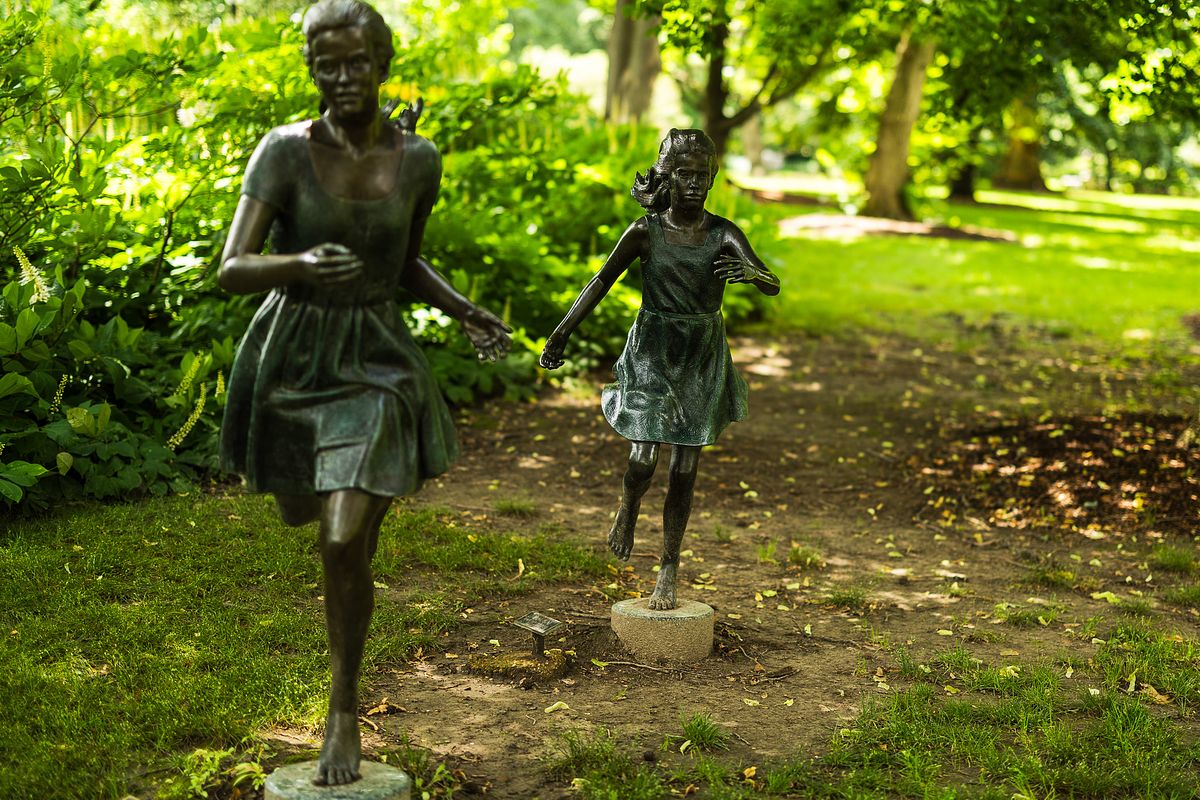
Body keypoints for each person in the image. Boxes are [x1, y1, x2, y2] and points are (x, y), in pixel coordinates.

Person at [217, 0, 510, 786]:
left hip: (378, 364)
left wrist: (464, 310)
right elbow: (232, 268)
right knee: (305, 513)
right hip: (293, 358)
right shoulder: (283, 151)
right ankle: (340, 539)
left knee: (343, 538)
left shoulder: (419, 160)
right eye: (326, 65)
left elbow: (404, 262)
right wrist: (300, 265)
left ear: (382, 64)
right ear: (312, 70)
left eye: (355, 63)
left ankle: (342, 708)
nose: (342, 78)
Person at [540, 128, 780, 611]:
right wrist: (560, 333)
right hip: (653, 349)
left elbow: (771, 282)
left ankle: (668, 567)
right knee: (643, 459)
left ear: (712, 179)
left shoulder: (723, 233)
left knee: (684, 470)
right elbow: (600, 281)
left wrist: (754, 274)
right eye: (684, 174)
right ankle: (629, 505)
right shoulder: (645, 231)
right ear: (668, 177)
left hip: (701, 354)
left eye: (702, 176)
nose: (693, 184)